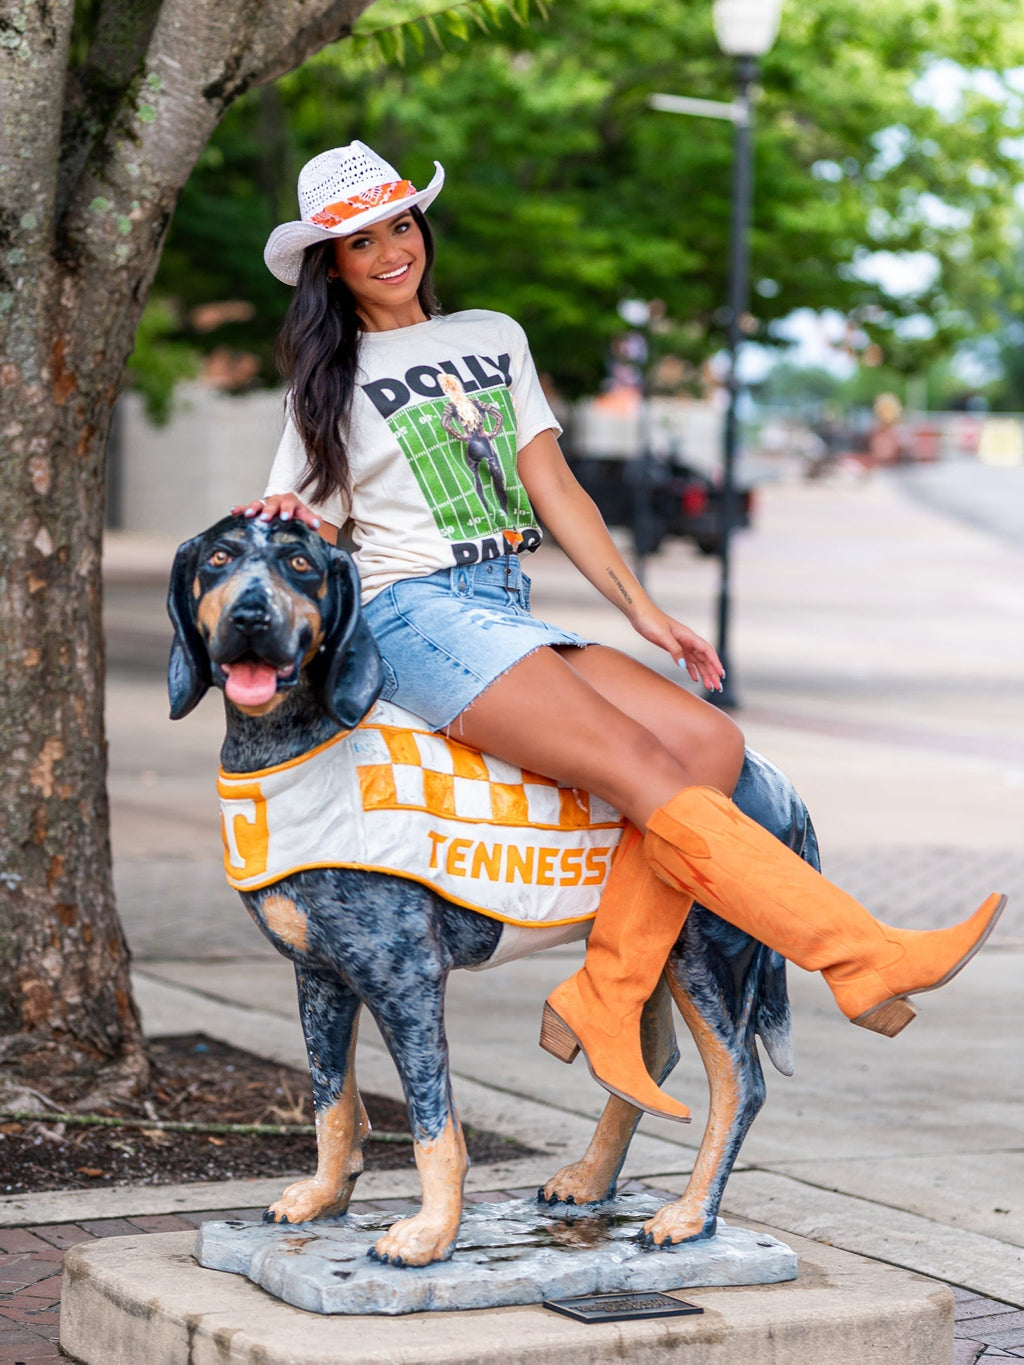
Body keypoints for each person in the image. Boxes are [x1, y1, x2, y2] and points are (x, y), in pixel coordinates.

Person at [237, 142, 1004, 1123]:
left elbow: (553, 486)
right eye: (360, 241)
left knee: (708, 743)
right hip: (412, 614)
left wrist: (643, 612)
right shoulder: (326, 386)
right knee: (644, 772)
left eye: (400, 226)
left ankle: (605, 994)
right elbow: (291, 526)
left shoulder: (493, 336)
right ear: (329, 264)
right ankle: (863, 956)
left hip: (500, 602)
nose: (391, 251)